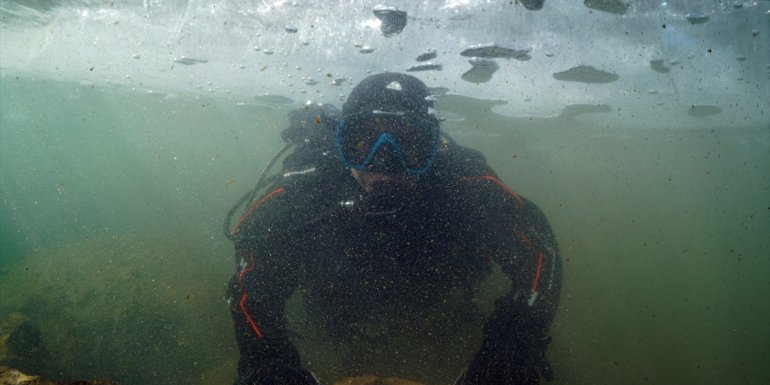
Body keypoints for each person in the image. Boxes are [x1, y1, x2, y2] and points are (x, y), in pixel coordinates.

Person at [226, 73, 561, 385]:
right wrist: (267, 361)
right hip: (338, 312)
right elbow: (251, 282)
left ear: (435, 146)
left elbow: (537, 251)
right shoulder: (310, 185)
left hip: (443, 305)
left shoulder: (462, 181)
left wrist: (514, 344)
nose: (385, 162)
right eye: (363, 142)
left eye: (409, 143)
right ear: (341, 142)